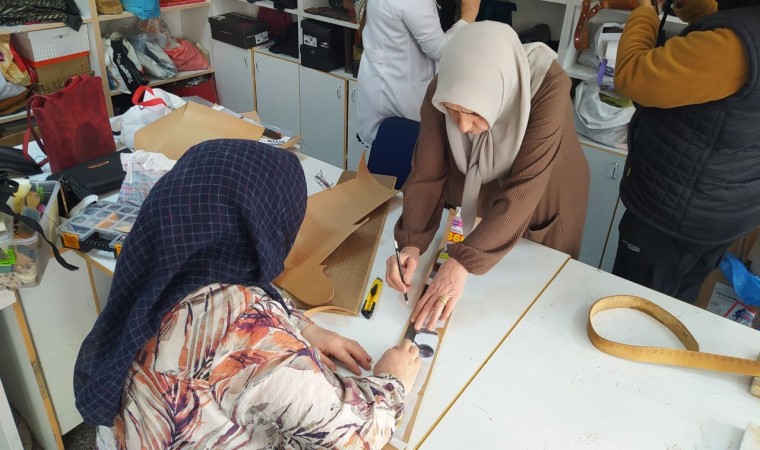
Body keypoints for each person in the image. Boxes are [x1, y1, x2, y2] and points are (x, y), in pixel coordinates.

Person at [73, 139, 421, 449]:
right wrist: (394, 381)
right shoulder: (248, 332)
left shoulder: (156, 262)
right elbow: (354, 436)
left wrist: (304, 327)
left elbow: (241, 297)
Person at [385, 22, 590, 331]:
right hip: (482, 181)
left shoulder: (549, 87)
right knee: (482, 306)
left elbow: (524, 190)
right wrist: (411, 243)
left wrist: (463, 262)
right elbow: (427, 173)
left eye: (473, 113)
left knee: (532, 307)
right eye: (453, 112)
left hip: (544, 190)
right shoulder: (446, 87)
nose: (462, 127)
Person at [611, 0, 760, 303]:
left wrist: (644, 9)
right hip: (721, 208)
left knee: (630, 306)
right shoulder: (743, 31)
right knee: (674, 302)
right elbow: (716, 46)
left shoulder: (734, 44)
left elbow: (633, 76)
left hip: (673, 215)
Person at [355, 0, 481, 146]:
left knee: (383, 149)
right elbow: (440, 50)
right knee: (397, 151)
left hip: (381, 86)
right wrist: (468, 17)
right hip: (397, 99)